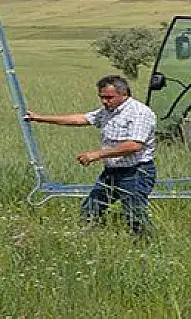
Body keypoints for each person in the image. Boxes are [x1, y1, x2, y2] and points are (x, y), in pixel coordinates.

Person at [25, 75, 157, 236]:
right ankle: (84, 238)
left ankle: (147, 245)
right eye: (102, 97)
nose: (104, 101)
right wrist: (40, 118)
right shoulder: (108, 111)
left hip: (136, 172)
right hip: (112, 172)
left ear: (124, 94)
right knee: (91, 208)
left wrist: (97, 154)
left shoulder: (139, 113)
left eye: (109, 97)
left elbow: (134, 145)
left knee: (135, 215)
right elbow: (82, 119)